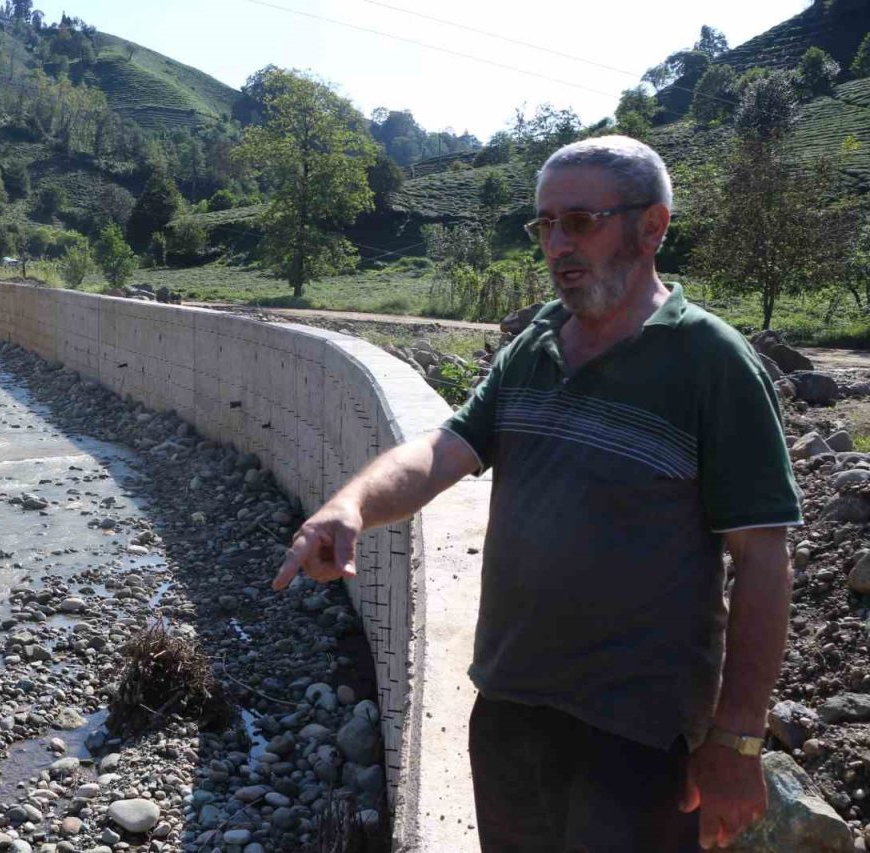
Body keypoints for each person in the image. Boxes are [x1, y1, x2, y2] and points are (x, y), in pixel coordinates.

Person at [271, 136, 801, 852]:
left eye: (580, 221)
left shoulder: (714, 366)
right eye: (544, 225)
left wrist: (737, 742)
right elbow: (442, 449)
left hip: (636, 735)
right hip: (510, 709)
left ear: (653, 227)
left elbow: (764, 560)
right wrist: (351, 505)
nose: (557, 245)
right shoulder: (536, 344)